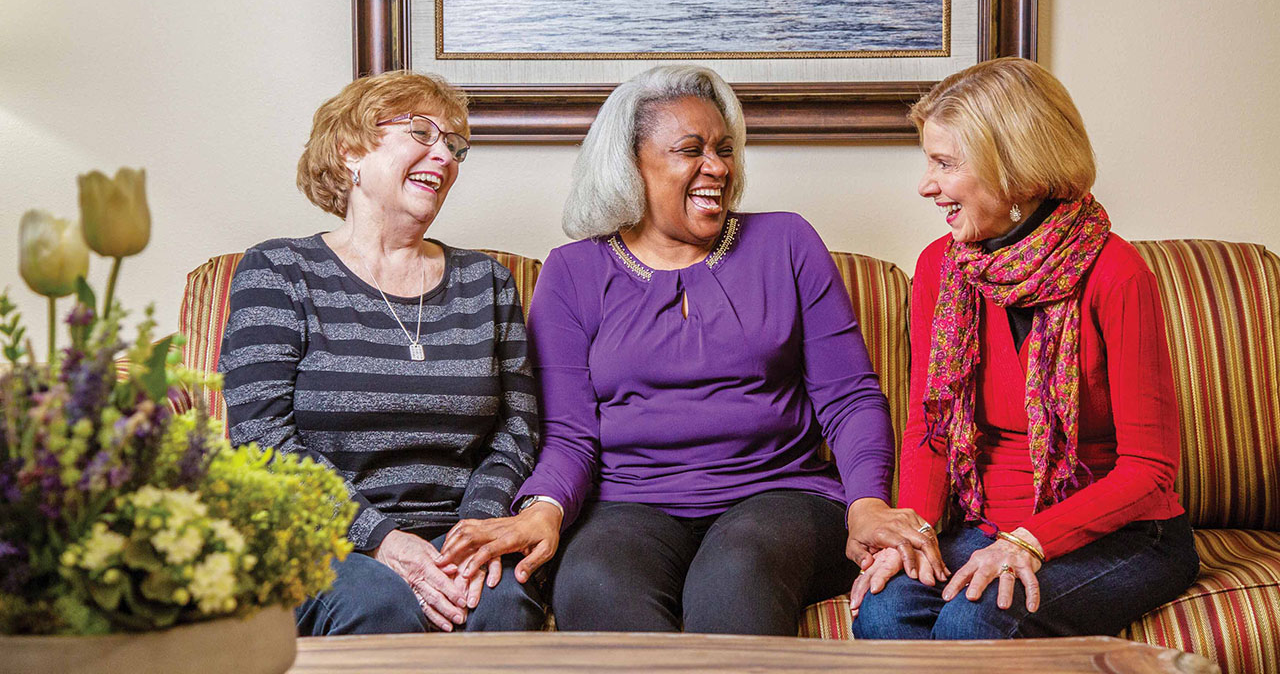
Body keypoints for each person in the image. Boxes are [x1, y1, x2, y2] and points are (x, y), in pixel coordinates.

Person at [439, 64, 944, 635]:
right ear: (631, 167)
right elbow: (570, 433)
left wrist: (867, 502)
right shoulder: (573, 272)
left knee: (736, 572)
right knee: (594, 580)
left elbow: (848, 398)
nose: (718, 167)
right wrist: (544, 508)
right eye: (691, 150)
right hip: (628, 503)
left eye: (724, 149)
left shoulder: (787, 243)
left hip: (781, 495)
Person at [849, 57, 1199, 639]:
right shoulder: (941, 269)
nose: (925, 185)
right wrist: (913, 535)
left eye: (944, 163)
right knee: (885, 610)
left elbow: (1150, 468)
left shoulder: (1117, 273)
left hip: (1123, 534)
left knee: (975, 622)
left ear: (1013, 169)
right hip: (986, 523)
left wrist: (1030, 541)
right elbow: (931, 431)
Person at [219, 70, 545, 635]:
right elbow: (262, 441)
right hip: (320, 536)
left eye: (454, 144)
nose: (443, 155)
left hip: (456, 530)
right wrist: (382, 541)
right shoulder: (278, 273)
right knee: (377, 603)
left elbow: (518, 429)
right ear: (350, 151)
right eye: (421, 132)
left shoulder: (486, 283)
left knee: (503, 601)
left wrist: (473, 535)